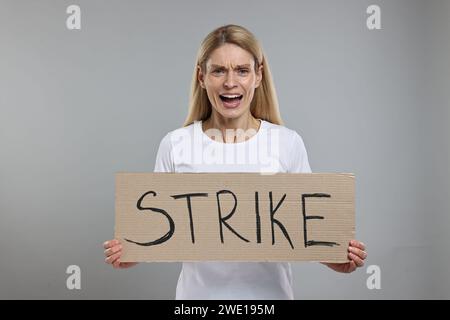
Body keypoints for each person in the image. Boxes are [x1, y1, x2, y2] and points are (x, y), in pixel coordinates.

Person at [103, 24, 367, 299]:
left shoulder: (287, 143)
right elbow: (157, 232)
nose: (230, 82)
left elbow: (305, 231)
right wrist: (130, 253)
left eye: (242, 70)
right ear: (202, 77)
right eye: (218, 70)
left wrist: (337, 259)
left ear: (258, 76)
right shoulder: (175, 144)